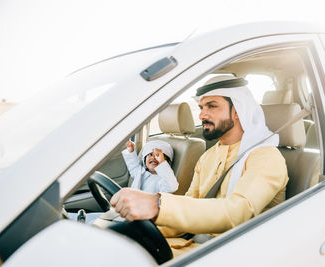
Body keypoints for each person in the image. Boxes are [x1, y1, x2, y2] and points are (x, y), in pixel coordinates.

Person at [110, 75, 289, 255]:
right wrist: (143, 228)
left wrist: (157, 205)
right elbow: (191, 205)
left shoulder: (266, 157)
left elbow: (238, 212)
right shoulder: (207, 157)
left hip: (235, 253)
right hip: (195, 245)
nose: (202, 115)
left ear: (238, 110)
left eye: (212, 106)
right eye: (201, 108)